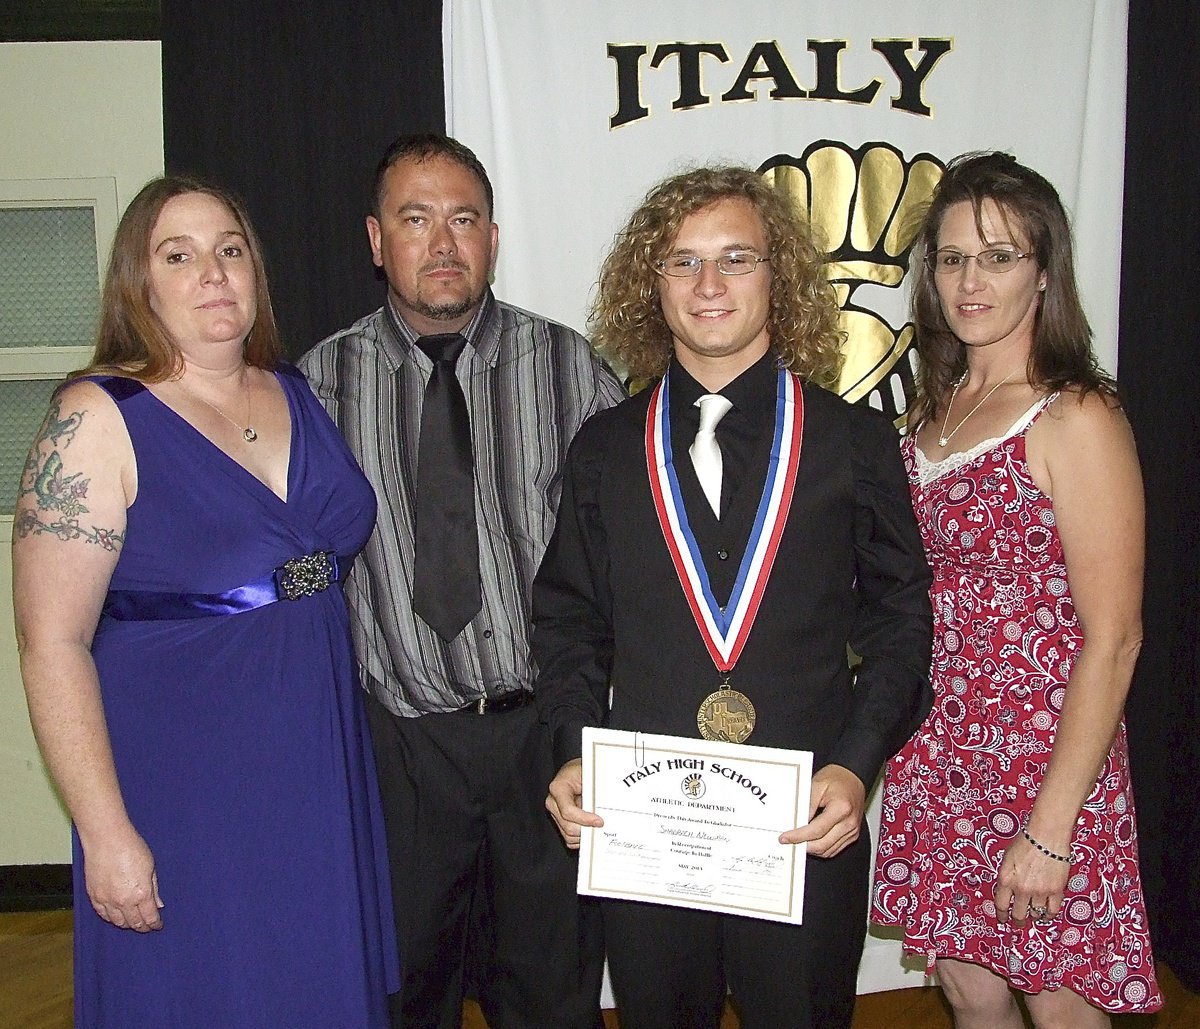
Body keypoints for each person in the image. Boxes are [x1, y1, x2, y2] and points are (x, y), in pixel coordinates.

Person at [532, 165, 934, 1028]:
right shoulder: (603, 447)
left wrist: (858, 764)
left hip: (802, 822)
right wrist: (571, 748)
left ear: (777, 278)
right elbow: (567, 620)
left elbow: (903, 621)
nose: (708, 285)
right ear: (652, 284)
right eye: (682, 262)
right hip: (646, 823)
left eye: (736, 259)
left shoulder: (852, 441)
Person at [13, 176, 399, 1027]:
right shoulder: (95, 417)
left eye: (229, 250)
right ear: (137, 283)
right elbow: (52, 644)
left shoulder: (292, 389)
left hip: (313, 759)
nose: (212, 271)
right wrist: (106, 833)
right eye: (177, 255)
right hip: (184, 781)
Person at [298, 132, 623, 1028]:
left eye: (464, 219)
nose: (443, 244)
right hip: (401, 748)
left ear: (492, 234)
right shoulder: (315, 389)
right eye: (415, 219)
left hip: (545, 740)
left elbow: (626, 559)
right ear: (375, 240)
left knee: (555, 993)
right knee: (404, 989)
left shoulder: (572, 370)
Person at [871, 152, 1164, 1024]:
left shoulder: (1076, 413)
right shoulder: (934, 407)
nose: (970, 280)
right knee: (969, 989)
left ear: (1043, 272)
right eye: (953, 257)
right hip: (941, 753)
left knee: (1060, 998)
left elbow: (1117, 638)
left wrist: (1051, 826)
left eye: (998, 257)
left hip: (1043, 758)